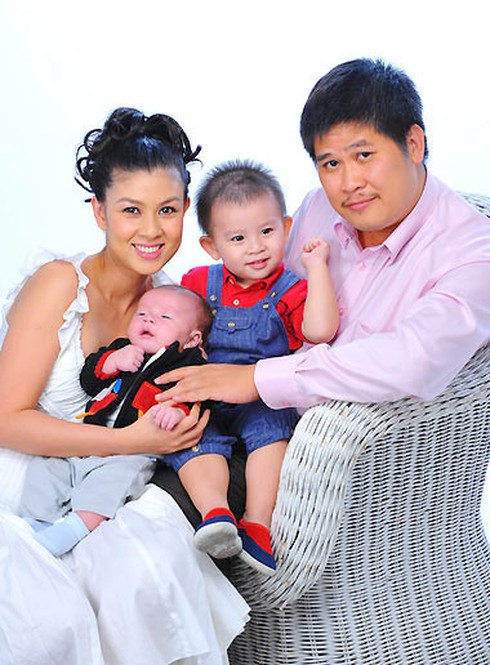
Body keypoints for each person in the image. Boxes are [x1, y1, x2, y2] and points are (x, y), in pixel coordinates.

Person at [0, 107, 249, 665]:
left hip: (109, 480)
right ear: (100, 211)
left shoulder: (172, 303)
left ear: (186, 208)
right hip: (26, 472)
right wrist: (131, 441)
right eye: (131, 210)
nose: (152, 230)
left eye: (168, 210)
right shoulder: (59, 284)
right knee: (52, 617)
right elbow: (5, 420)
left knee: (142, 577)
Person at [156, 58, 490, 448]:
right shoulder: (319, 207)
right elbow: (262, 286)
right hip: (236, 424)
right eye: (331, 163)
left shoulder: (472, 251)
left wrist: (256, 379)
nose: (349, 183)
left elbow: (411, 359)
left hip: (348, 456)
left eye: (364, 156)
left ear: (413, 144)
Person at [173, 160, 338, 576]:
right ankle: (215, 514)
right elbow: (173, 330)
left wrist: (317, 269)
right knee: (192, 438)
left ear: (286, 227)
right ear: (212, 246)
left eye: (267, 231)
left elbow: (320, 331)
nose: (256, 247)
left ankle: (257, 525)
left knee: (271, 433)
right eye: (238, 238)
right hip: (206, 393)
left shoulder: (290, 289)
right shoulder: (198, 283)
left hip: (259, 396)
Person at [20, 285, 212, 557]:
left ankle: (76, 527)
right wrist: (111, 362)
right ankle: (37, 520)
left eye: (165, 317)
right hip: (88, 437)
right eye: (142, 313)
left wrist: (177, 411)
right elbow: (88, 380)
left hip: (133, 450)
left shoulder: (188, 364)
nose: (149, 319)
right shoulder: (123, 348)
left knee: (114, 481)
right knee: (48, 465)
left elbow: (198, 396)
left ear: (193, 339)